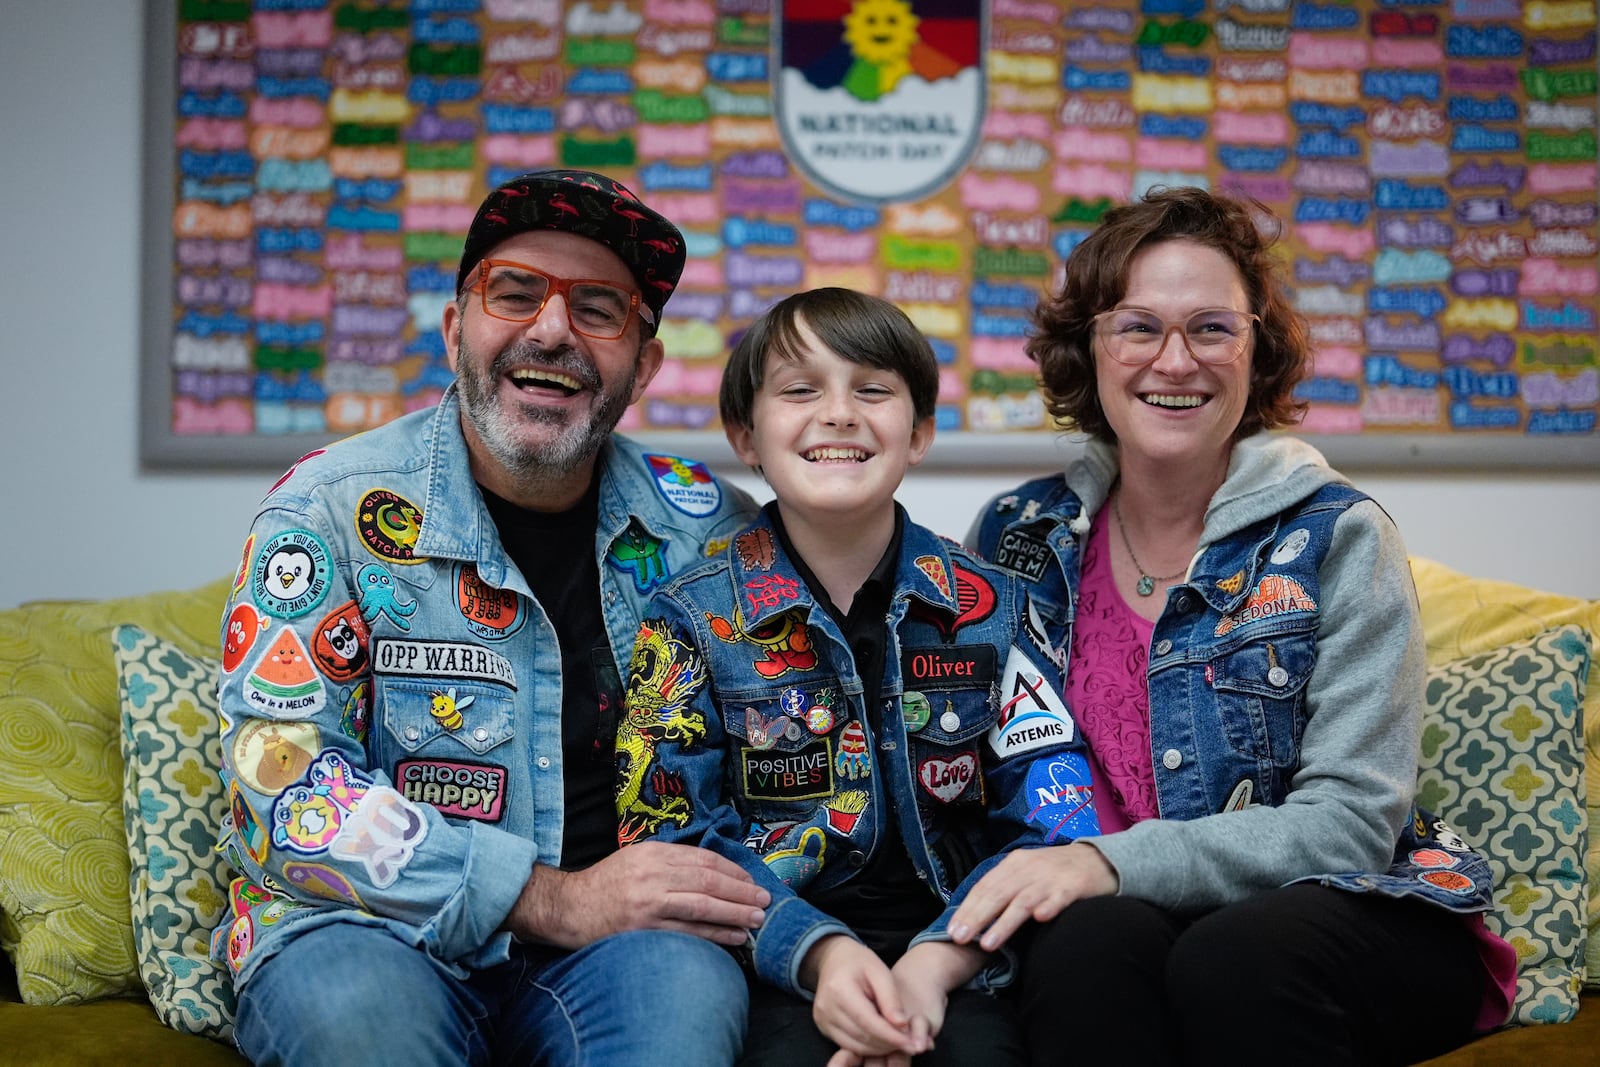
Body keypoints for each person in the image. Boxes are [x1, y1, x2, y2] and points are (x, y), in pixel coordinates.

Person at [210, 169, 769, 1067]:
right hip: (366, 933)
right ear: (454, 329)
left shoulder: (712, 532)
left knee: (685, 995)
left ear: (646, 365)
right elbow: (281, 789)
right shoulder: (323, 509)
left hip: (615, 957)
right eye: (514, 295)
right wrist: (555, 898)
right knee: (358, 1017)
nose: (552, 330)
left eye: (599, 309)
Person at [958, 187, 1516, 1065]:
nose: (1174, 361)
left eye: (1211, 328)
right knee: (1079, 950)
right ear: (1089, 350)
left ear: (1255, 354)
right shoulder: (1016, 539)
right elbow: (963, 779)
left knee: (1230, 958)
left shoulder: (1339, 535)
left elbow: (1349, 821)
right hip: (1116, 916)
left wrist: (1112, 862)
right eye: (1138, 326)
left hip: (1339, 908)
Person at [613, 288, 1100, 1067]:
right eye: (800, 389)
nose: (839, 413)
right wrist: (819, 954)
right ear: (746, 434)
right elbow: (671, 833)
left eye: (872, 390)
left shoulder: (997, 608)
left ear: (921, 433)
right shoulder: (686, 619)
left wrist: (938, 962)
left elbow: (1053, 815)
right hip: (775, 962)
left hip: (963, 953)